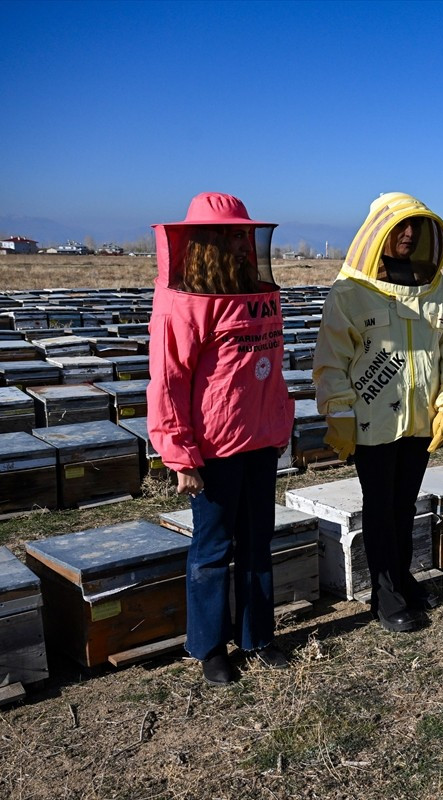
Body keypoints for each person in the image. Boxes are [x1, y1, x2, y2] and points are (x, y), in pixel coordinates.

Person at [148, 192, 294, 686]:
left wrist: (280, 424)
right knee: (212, 549)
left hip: (259, 442)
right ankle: (208, 645)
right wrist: (180, 456)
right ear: (203, 242)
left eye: (243, 235)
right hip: (213, 450)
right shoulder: (181, 303)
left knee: (258, 542)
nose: (239, 244)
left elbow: (270, 370)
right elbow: (168, 381)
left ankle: (258, 635)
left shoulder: (259, 292)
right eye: (229, 236)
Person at [313, 193, 443, 632]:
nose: (407, 236)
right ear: (377, 233)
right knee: (379, 510)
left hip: (420, 421)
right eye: (400, 227)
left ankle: (401, 579)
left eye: (414, 229)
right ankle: (384, 597)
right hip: (371, 423)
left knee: (404, 507)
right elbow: (331, 359)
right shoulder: (350, 292)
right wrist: (339, 413)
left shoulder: (436, 288)